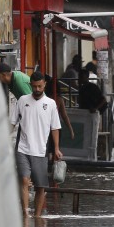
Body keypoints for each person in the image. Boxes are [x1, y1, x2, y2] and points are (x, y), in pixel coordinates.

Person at [14, 72, 62, 217]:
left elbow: (55, 128)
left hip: (41, 150)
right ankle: (25, 214)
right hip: (22, 148)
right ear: (30, 85)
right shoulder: (22, 100)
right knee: (24, 179)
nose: (37, 89)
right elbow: (12, 122)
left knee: (40, 186)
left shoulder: (51, 104)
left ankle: (38, 216)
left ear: (44, 85)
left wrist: (57, 149)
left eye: (39, 86)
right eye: (34, 86)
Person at [43, 75, 74, 165]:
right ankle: (52, 167)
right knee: (54, 150)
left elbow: (64, 116)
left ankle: (46, 166)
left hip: (47, 127)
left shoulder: (46, 98)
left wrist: (71, 130)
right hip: (54, 127)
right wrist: (71, 130)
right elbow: (64, 116)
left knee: (48, 149)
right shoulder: (58, 99)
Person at [77, 69, 107, 160]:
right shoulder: (81, 88)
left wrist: (96, 108)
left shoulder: (93, 87)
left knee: (92, 134)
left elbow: (104, 100)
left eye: (81, 77)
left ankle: (92, 154)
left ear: (86, 77)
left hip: (93, 114)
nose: (80, 79)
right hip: (85, 115)